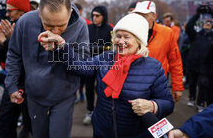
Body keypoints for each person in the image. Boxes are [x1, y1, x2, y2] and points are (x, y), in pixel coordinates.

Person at [39, 13, 174, 137]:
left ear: (139, 41)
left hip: (137, 134)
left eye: (126, 37)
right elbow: (80, 67)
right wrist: (62, 45)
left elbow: (168, 103)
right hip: (102, 131)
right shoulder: (106, 58)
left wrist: (152, 105)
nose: (120, 41)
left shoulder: (153, 67)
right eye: (118, 36)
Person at [5, 0, 90, 138]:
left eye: (62, 25)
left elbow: (83, 65)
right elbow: (14, 55)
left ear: (70, 13)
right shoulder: (25, 22)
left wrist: (61, 48)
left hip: (64, 94)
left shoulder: (81, 25)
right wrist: (12, 86)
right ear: (39, 14)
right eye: (49, 25)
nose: (56, 31)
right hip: (34, 94)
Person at [0, 0, 32, 138]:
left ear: (21, 10)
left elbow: (28, 58)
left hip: (29, 85)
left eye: (10, 10)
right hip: (12, 82)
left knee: (29, 125)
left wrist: (10, 42)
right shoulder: (9, 26)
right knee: (4, 122)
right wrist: (1, 43)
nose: (6, 13)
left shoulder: (32, 27)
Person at [132, 1, 184, 102]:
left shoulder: (166, 33)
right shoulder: (129, 32)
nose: (140, 19)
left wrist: (177, 87)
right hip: (133, 84)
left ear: (154, 16)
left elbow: (175, 61)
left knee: (156, 114)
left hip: (157, 84)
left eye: (145, 16)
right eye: (138, 15)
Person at [82, 5, 113, 125]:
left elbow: (112, 48)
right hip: (89, 63)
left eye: (97, 16)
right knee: (88, 88)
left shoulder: (110, 29)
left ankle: (101, 112)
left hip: (104, 65)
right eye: (93, 15)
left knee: (101, 89)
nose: (94, 18)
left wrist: (101, 49)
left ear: (103, 16)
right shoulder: (87, 28)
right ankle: (89, 111)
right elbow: (82, 44)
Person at [185, 5, 213, 112]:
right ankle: (192, 98)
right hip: (193, 63)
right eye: (206, 22)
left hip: (205, 66)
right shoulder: (196, 35)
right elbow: (188, 27)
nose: (207, 24)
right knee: (192, 82)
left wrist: (211, 14)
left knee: (203, 85)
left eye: (210, 22)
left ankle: (200, 102)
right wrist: (198, 14)